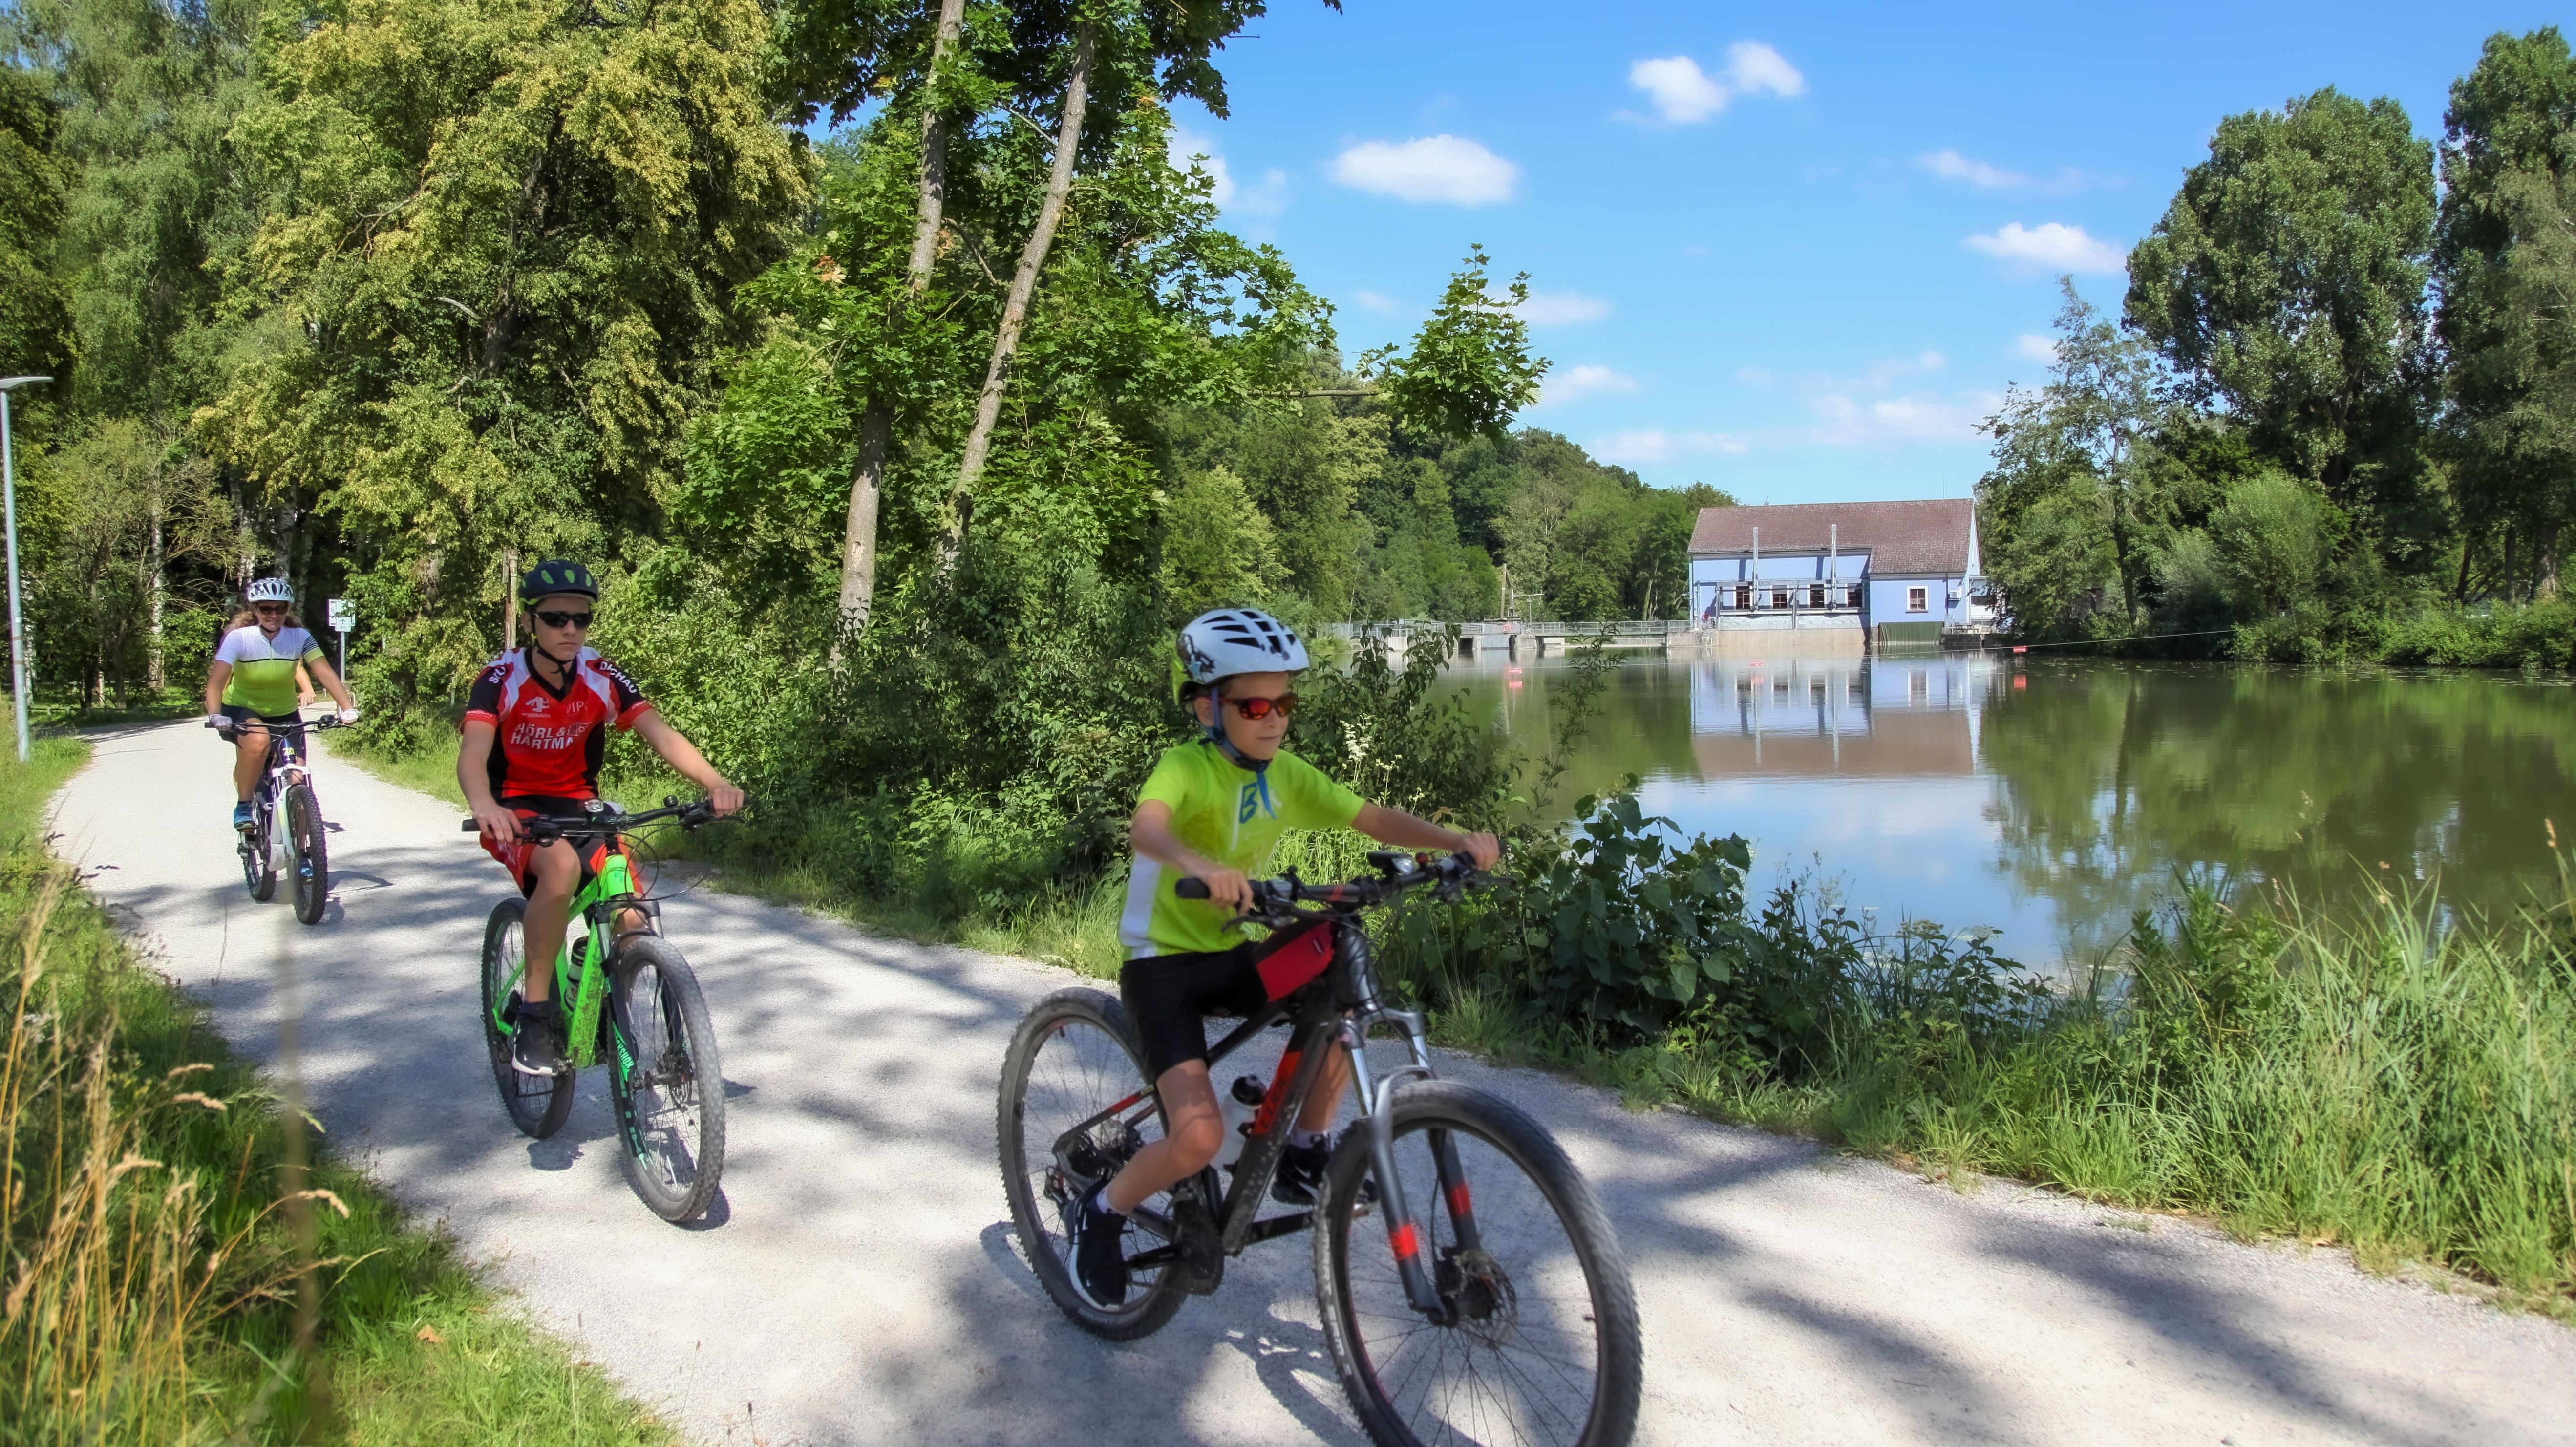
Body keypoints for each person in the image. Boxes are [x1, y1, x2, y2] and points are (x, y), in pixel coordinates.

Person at [1071, 607, 1502, 1308]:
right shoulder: (1186, 766)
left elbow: (1370, 818)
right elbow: (1145, 826)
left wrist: (1453, 841)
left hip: (1228, 954)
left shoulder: (1287, 774)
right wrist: (1197, 862)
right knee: (1198, 1138)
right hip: (1161, 971)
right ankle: (1104, 1209)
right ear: (1208, 707)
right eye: (1255, 704)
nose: (1274, 719)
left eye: (1285, 703)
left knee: (1335, 958)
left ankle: (1305, 1146)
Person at [459, 559, 744, 1076]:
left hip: (579, 805)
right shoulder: (500, 678)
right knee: (562, 870)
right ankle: (536, 1015)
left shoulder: (601, 673)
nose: (570, 629)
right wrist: (484, 806)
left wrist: (714, 782)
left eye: (580, 619)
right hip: (517, 806)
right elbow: (473, 754)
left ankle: (590, 989)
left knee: (633, 918)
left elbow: (660, 733)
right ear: (530, 622)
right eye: (555, 618)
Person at [205, 579, 358, 830]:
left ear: (288, 610)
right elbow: (216, 683)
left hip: (284, 711)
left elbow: (325, 673)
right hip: (242, 708)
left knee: (297, 778)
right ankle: (244, 805)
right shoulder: (239, 639)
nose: (273, 615)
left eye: (280, 609)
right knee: (259, 741)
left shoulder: (300, 637)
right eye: (266, 609)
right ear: (255, 610)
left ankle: (302, 855)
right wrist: (215, 715)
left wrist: (346, 707)